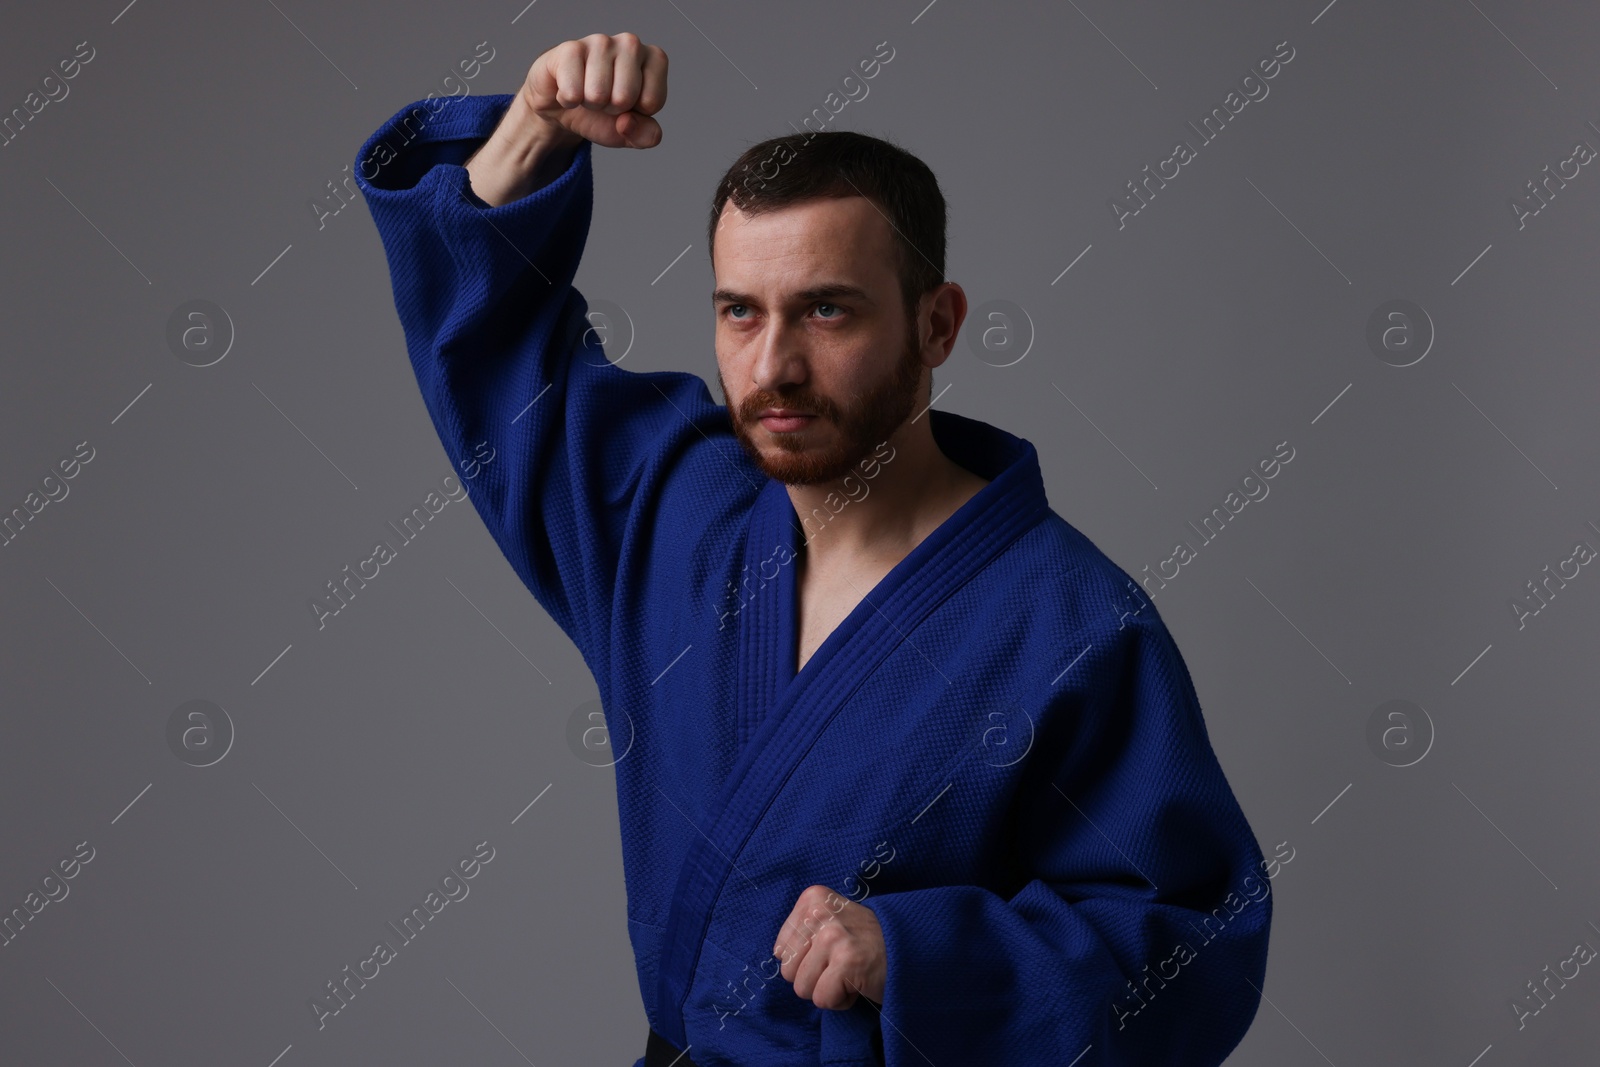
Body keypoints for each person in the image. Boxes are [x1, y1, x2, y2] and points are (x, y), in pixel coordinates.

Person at [354, 31, 1271, 1067]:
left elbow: (1191, 953)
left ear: (937, 324)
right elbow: (500, 359)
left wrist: (919, 953)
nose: (774, 364)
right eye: (739, 312)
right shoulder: (676, 514)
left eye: (826, 310)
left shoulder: (1072, 622)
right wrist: (532, 133)